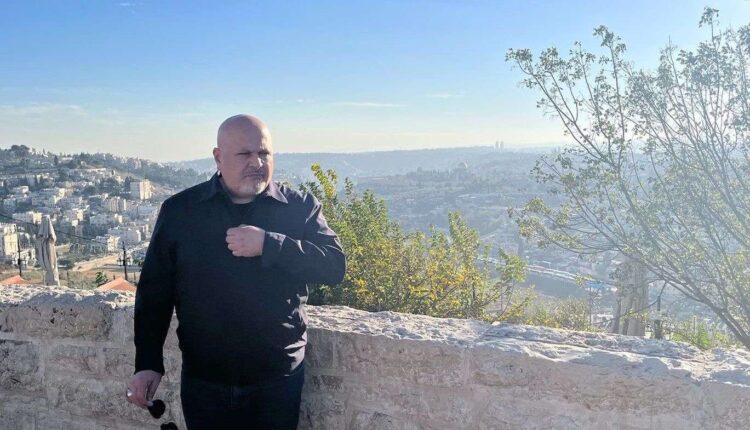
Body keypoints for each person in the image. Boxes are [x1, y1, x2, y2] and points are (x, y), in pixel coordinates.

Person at [126, 114, 346, 429]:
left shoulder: (298, 208)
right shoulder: (182, 212)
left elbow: (334, 265)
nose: (257, 162)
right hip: (205, 382)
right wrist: (148, 363)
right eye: (245, 154)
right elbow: (155, 294)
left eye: (264, 153)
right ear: (218, 157)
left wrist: (270, 244)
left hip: (276, 380)